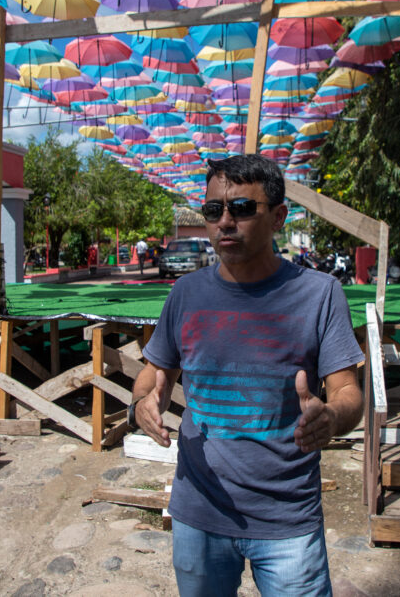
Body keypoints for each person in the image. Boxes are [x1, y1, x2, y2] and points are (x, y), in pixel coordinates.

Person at [129, 154, 364, 596]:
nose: (225, 222)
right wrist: (143, 404)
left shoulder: (320, 294)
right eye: (214, 210)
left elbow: (348, 390)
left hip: (287, 517)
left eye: (241, 209)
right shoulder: (186, 293)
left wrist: (332, 418)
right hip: (199, 512)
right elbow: (152, 376)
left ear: (277, 217)